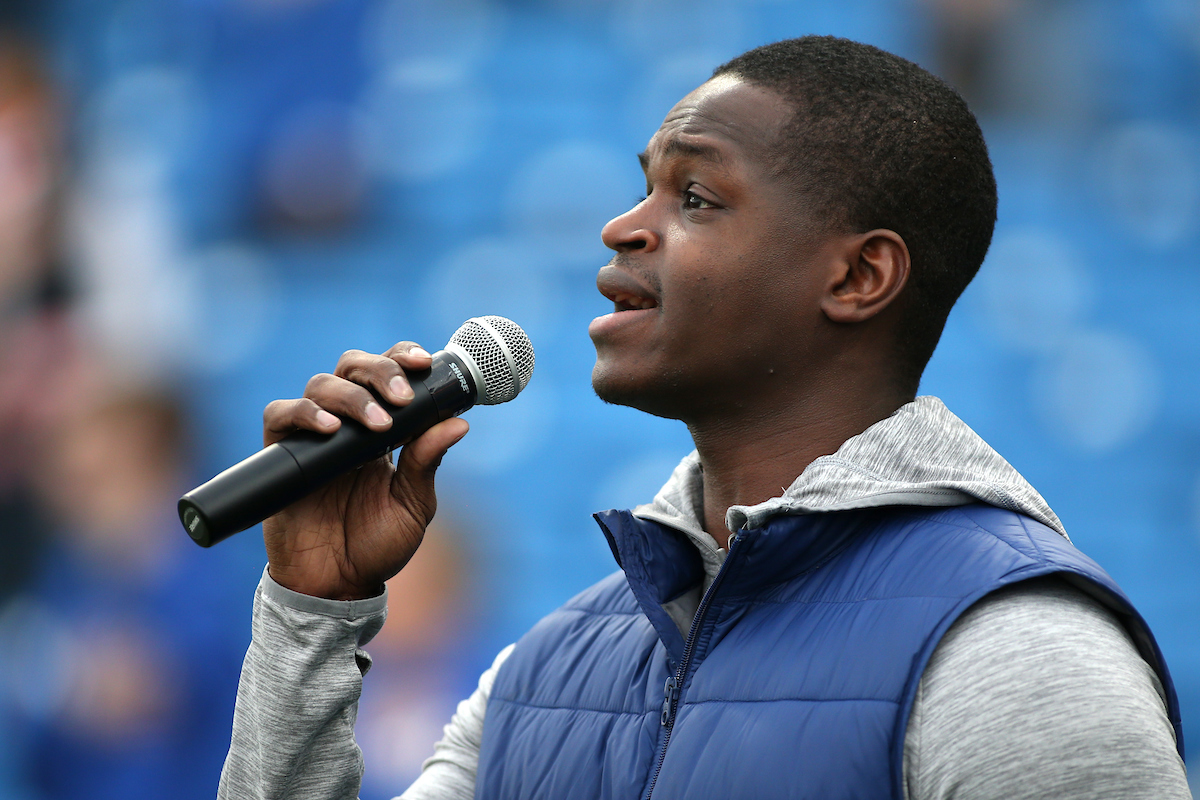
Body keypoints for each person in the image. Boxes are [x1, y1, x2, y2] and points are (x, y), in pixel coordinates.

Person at [218, 36, 1188, 799]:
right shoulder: (548, 670)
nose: (623, 225)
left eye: (694, 195)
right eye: (643, 184)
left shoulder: (1015, 655)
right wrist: (313, 613)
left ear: (857, 274)